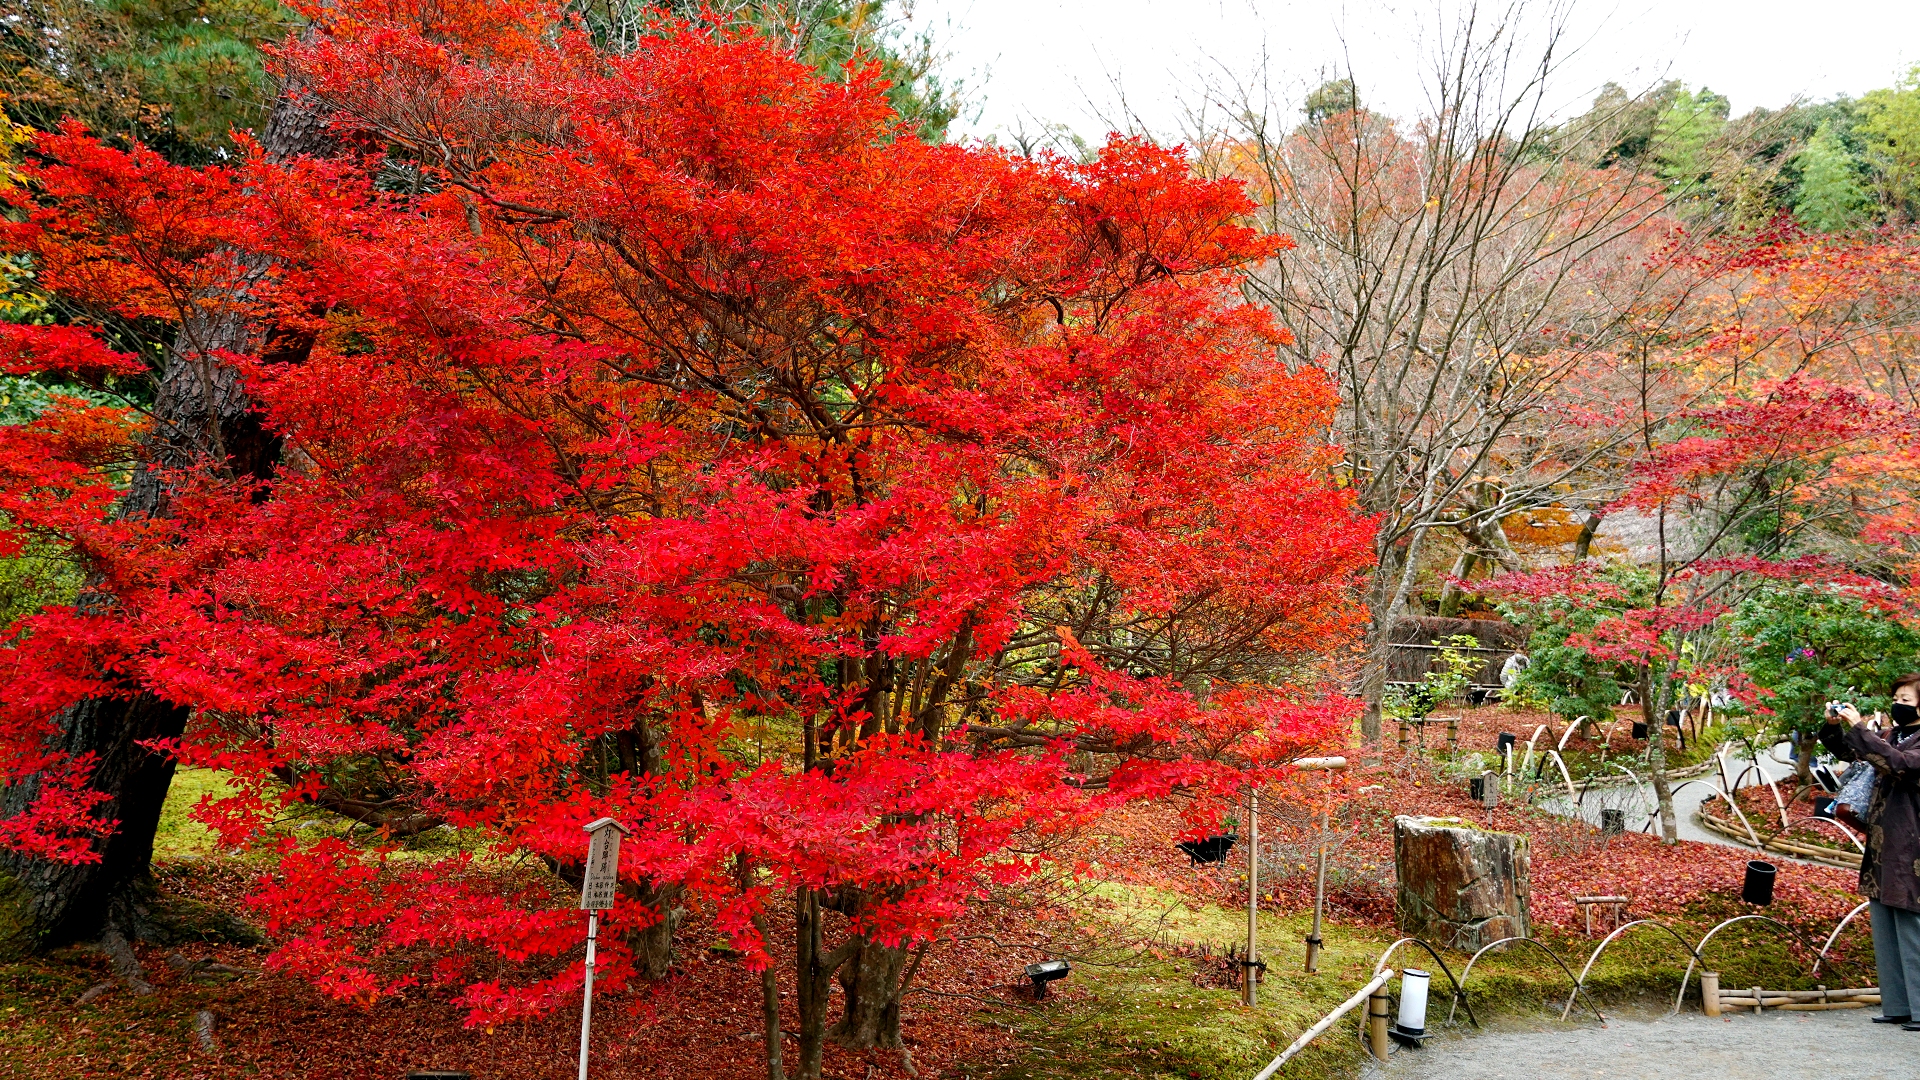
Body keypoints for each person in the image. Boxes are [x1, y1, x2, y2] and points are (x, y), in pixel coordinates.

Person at [1826, 675, 1920, 1031]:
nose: (1899, 703)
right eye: (1896, 696)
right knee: (1883, 922)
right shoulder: (1890, 735)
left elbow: (1899, 765)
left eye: (1906, 699)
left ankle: (1919, 1008)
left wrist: (1861, 728)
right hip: (1883, 843)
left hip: (1911, 844)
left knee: (1910, 923)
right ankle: (1898, 1005)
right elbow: (1852, 753)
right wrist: (1835, 727)